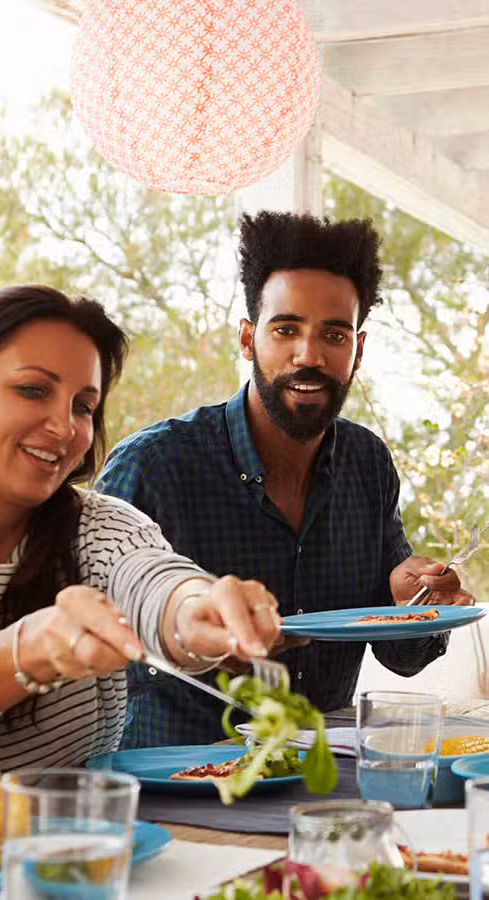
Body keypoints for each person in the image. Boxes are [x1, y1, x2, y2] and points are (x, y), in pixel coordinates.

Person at [0, 284, 282, 786]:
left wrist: (199, 609)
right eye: (33, 390)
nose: (64, 427)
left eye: (83, 406)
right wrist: (33, 648)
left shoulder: (102, 524)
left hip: (67, 853)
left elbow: (155, 584)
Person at [95, 211, 474, 749]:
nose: (309, 356)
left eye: (334, 334)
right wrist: (194, 642)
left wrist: (419, 606)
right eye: (286, 329)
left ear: (357, 351)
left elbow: (399, 653)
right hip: (175, 782)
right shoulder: (153, 466)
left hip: (319, 777)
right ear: (249, 339)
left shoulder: (367, 464)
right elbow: (92, 649)